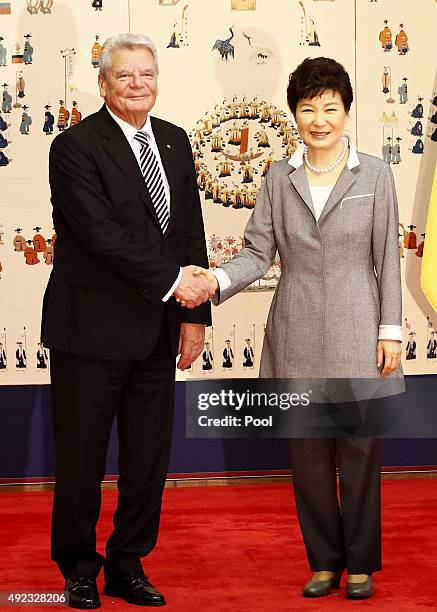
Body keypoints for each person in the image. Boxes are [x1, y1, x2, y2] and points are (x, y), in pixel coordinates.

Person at [193, 57, 404, 600]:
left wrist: (390, 329)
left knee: (358, 453)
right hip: (296, 328)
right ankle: (324, 562)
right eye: (308, 108)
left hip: (360, 328)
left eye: (330, 108)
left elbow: (386, 258)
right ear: (295, 113)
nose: (319, 120)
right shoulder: (276, 177)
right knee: (308, 457)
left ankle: (361, 563)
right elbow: (259, 252)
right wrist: (215, 279)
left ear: (347, 111)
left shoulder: (374, 173)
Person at [41, 33, 211, 609]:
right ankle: (78, 569)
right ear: (103, 83)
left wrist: (195, 313)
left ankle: (128, 564)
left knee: (147, 463)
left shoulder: (174, 139)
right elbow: (99, 235)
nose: (137, 84)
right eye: (124, 75)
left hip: (158, 334)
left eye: (146, 73)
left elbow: (189, 231)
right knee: (82, 460)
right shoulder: (74, 146)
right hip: (89, 332)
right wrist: (173, 284)